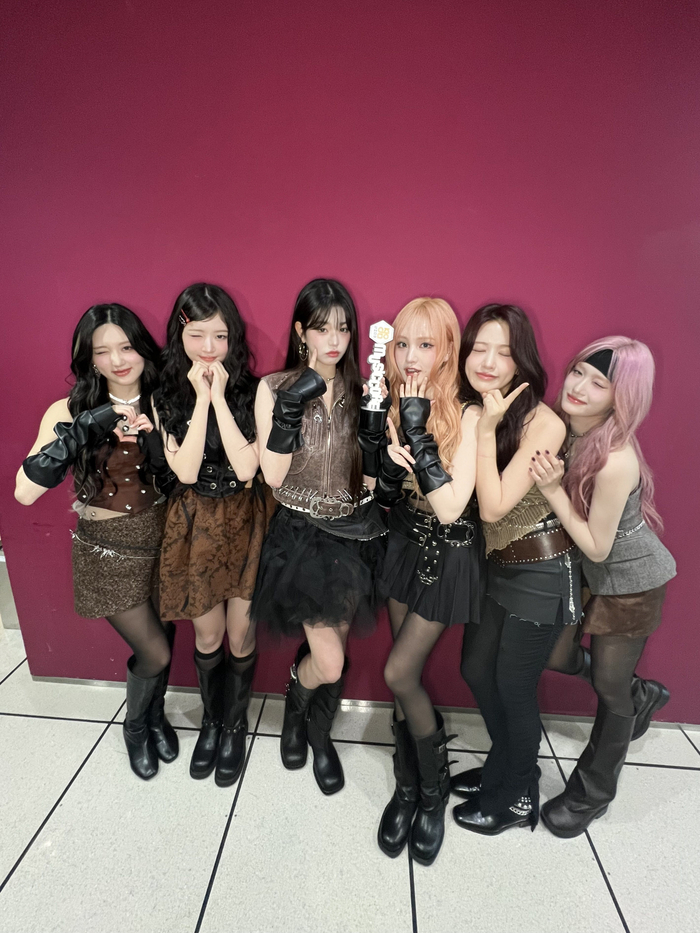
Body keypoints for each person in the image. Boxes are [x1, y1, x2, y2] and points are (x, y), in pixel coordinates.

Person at [15, 303, 178, 781]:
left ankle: (155, 717)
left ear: (143, 348)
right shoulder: (67, 410)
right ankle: (135, 728)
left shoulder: (166, 402)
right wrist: (83, 428)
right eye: (102, 351)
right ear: (88, 358)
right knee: (155, 652)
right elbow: (24, 493)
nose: (117, 360)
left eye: (126, 347)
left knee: (165, 634)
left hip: (163, 536)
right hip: (106, 548)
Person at [529, 337, 676, 837]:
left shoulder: (616, 459)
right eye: (578, 373)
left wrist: (552, 490)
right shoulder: (567, 428)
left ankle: (592, 794)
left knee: (611, 693)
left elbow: (596, 546)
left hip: (631, 582)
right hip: (591, 578)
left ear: (621, 398)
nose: (579, 388)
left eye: (599, 384)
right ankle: (641, 693)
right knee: (557, 657)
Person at [251, 278, 386, 796]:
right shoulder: (273, 387)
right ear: (300, 331)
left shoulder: (367, 391)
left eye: (344, 328)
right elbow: (273, 476)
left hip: (354, 535)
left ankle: (318, 732)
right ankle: (295, 703)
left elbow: (369, 482)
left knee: (339, 649)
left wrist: (380, 455)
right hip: (301, 537)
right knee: (327, 661)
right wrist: (291, 404)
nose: (334, 340)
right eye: (322, 328)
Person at [451, 303, 582, 834]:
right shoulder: (472, 405)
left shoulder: (544, 422)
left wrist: (485, 433)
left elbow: (493, 507)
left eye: (503, 352)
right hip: (497, 566)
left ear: (521, 361)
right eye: (479, 349)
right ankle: (506, 765)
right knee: (475, 669)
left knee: (513, 685)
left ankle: (519, 794)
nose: (487, 362)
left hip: (542, 571)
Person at [371, 298, 482, 866]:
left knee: (398, 672)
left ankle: (433, 794)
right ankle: (407, 786)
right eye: (403, 344)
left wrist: (417, 434)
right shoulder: (394, 399)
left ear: (447, 350)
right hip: (402, 541)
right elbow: (384, 496)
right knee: (402, 676)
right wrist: (389, 469)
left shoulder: (470, 413)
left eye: (425, 344)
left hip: (448, 550)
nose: (411, 357)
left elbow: (452, 507)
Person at [154, 283, 276, 788]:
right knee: (207, 634)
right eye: (197, 335)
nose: (209, 348)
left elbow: (248, 467)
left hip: (245, 519)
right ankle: (211, 720)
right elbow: (184, 471)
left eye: (220, 336)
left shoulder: (255, 390)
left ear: (234, 338)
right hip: (196, 523)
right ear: (179, 335)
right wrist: (200, 400)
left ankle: (235, 724)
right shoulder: (164, 395)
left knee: (241, 633)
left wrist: (220, 399)